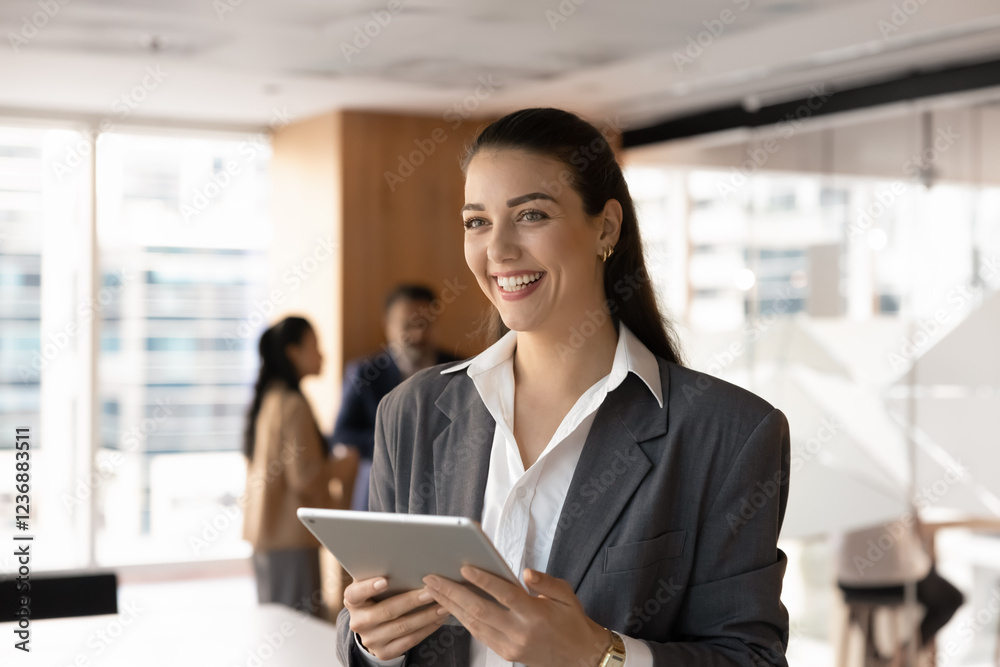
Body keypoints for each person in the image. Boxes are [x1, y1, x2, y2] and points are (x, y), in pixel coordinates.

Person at [336, 108, 791, 666]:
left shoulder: (727, 434)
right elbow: (371, 622)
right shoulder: (411, 413)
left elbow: (752, 658)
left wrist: (604, 655)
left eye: (530, 214)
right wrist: (369, 641)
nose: (498, 250)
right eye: (476, 221)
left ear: (606, 227)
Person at [242, 316, 357, 617]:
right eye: (314, 346)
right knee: (298, 629)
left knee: (275, 627)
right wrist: (344, 466)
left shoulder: (271, 398)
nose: (323, 355)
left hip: (267, 534)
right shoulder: (293, 404)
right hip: (289, 536)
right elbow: (304, 477)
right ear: (293, 351)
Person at [331, 285, 458, 510]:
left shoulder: (459, 370)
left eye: (425, 325)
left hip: (443, 492)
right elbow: (342, 433)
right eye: (409, 325)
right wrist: (399, 444)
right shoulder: (364, 373)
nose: (418, 334)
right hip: (377, 490)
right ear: (388, 326)